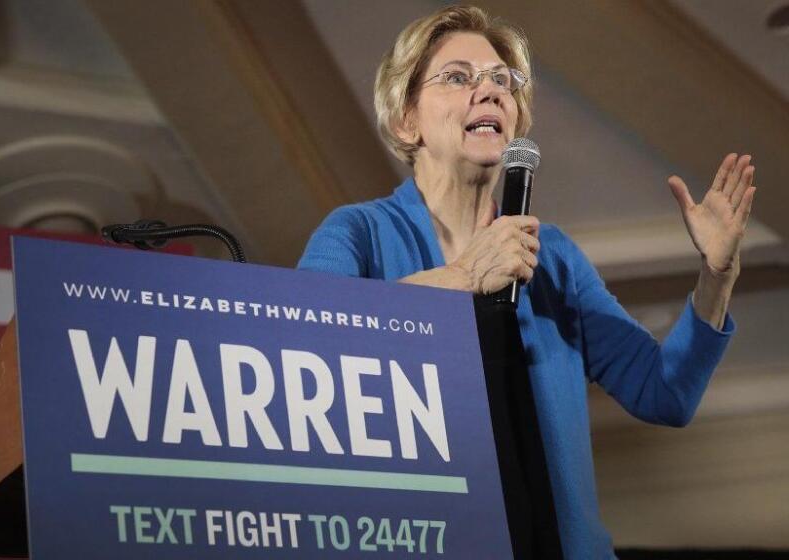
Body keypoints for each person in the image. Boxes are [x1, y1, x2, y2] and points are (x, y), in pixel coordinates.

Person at [298, 5, 756, 558]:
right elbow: (312, 345)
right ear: (405, 119)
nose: (489, 91)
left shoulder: (553, 257)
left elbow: (664, 392)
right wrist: (464, 277)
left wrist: (718, 274)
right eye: (458, 77)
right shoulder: (360, 233)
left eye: (502, 81)